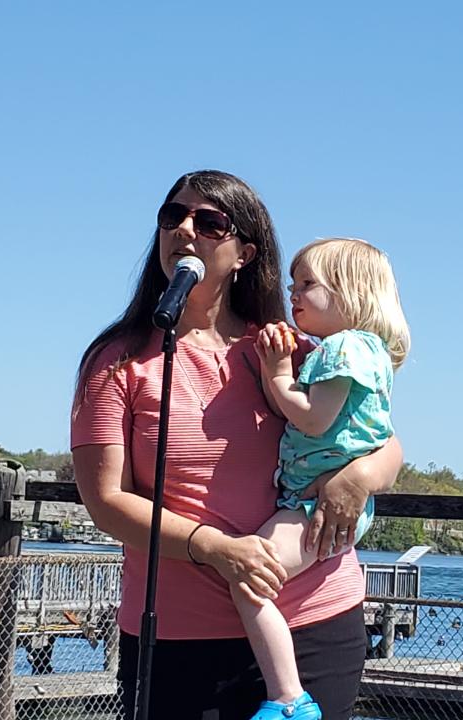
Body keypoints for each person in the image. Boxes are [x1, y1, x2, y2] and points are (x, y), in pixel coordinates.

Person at [70, 170, 403, 720]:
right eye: (171, 216)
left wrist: (359, 479)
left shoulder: (286, 347)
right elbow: (106, 501)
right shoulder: (117, 360)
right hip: (177, 636)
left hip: (314, 622)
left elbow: (382, 441)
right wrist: (216, 547)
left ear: (244, 252)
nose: (184, 229)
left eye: (208, 221)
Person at [236, 237, 410, 719]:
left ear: (351, 292)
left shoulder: (344, 348)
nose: (294, 293)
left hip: (314, 505)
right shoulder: (358, 350)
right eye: (293, 283)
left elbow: (312, 418)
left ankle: (289, 699)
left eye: (308, 283)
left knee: (250, 578)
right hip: (317, 500)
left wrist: (275, 372)